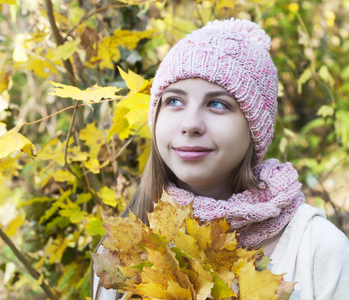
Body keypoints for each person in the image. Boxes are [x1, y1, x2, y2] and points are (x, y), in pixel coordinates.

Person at [91, 18, 349, 300]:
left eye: (217, 104)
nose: (190, 124)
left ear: (254, 128)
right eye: (174, 101)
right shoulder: (119, 253)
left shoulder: (317, 249)